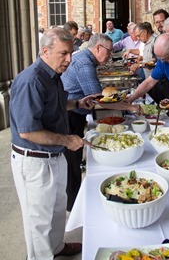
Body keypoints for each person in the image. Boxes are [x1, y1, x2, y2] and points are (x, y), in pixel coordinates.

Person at [9, 28, 98, 259]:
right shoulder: (31, 80)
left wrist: (78, 102)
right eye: (63, 54)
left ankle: (57, 247)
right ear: (45, 51)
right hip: (34, 161)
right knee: (38, 221)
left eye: (70, 53)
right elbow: (28, 132)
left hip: (54, 156)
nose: (69, 59)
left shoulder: (52, 75)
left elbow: (54, 106)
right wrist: (67, 140)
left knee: (58, 209)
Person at [61, 33, 142, 211]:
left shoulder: (86, 59)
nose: (110, 56)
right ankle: (74, 205)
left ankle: (73, 200)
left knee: (73, 159)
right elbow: (99, 99)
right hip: (70, 115)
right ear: (98, 48)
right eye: (109, 51)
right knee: (72, 161)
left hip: (74, 111)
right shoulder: (84, 63)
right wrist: (130, 107)